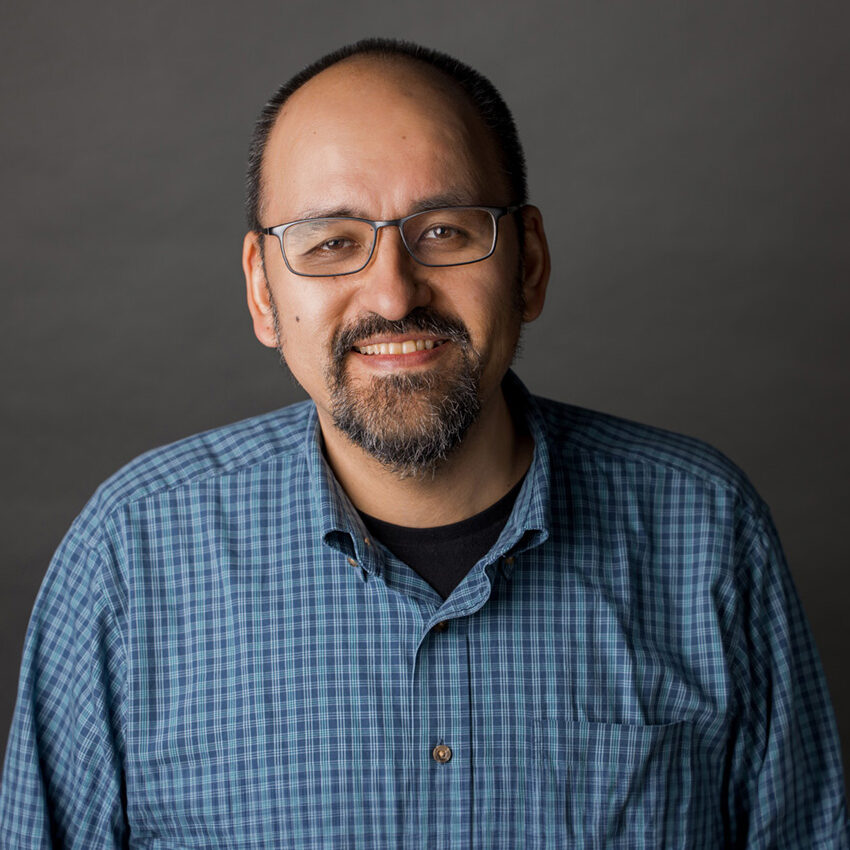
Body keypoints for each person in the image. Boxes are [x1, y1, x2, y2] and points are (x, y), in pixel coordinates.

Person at [1, 37, 847, 849]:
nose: (393, 294)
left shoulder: (706, 530)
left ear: (528, 265)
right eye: (331, 242)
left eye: (443, 231)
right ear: (263, 293)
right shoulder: (132, 554)